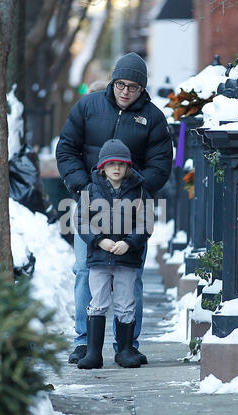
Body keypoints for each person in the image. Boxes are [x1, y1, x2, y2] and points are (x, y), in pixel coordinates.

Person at [56, 52, 173, 364]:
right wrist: (83, 185)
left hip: (132, 211)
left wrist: (137, 189)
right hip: (90, 206)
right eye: (120, 84)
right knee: (85, 271)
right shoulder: (87, 106)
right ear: (113, 82)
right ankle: (85, 344)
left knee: (129, 276)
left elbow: (161, 165)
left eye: (133, 87)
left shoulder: (153, 118)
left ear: (142, 89)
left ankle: (127, 346)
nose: (125, 91)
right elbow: (66, 147)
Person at [75, 139, 152, 369]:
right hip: (99, 259)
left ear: (128, 167)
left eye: (121, 164)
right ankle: (93, 353)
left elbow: (145, 222)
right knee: (97, 301)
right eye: (111, 164)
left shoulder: (138, 191)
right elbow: (81, 221)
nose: (116, 168)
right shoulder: (90, 190)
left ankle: (125, 350)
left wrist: (130, 243)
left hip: (126, 259)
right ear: (102, 167)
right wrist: (99, 241)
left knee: (125, 302)